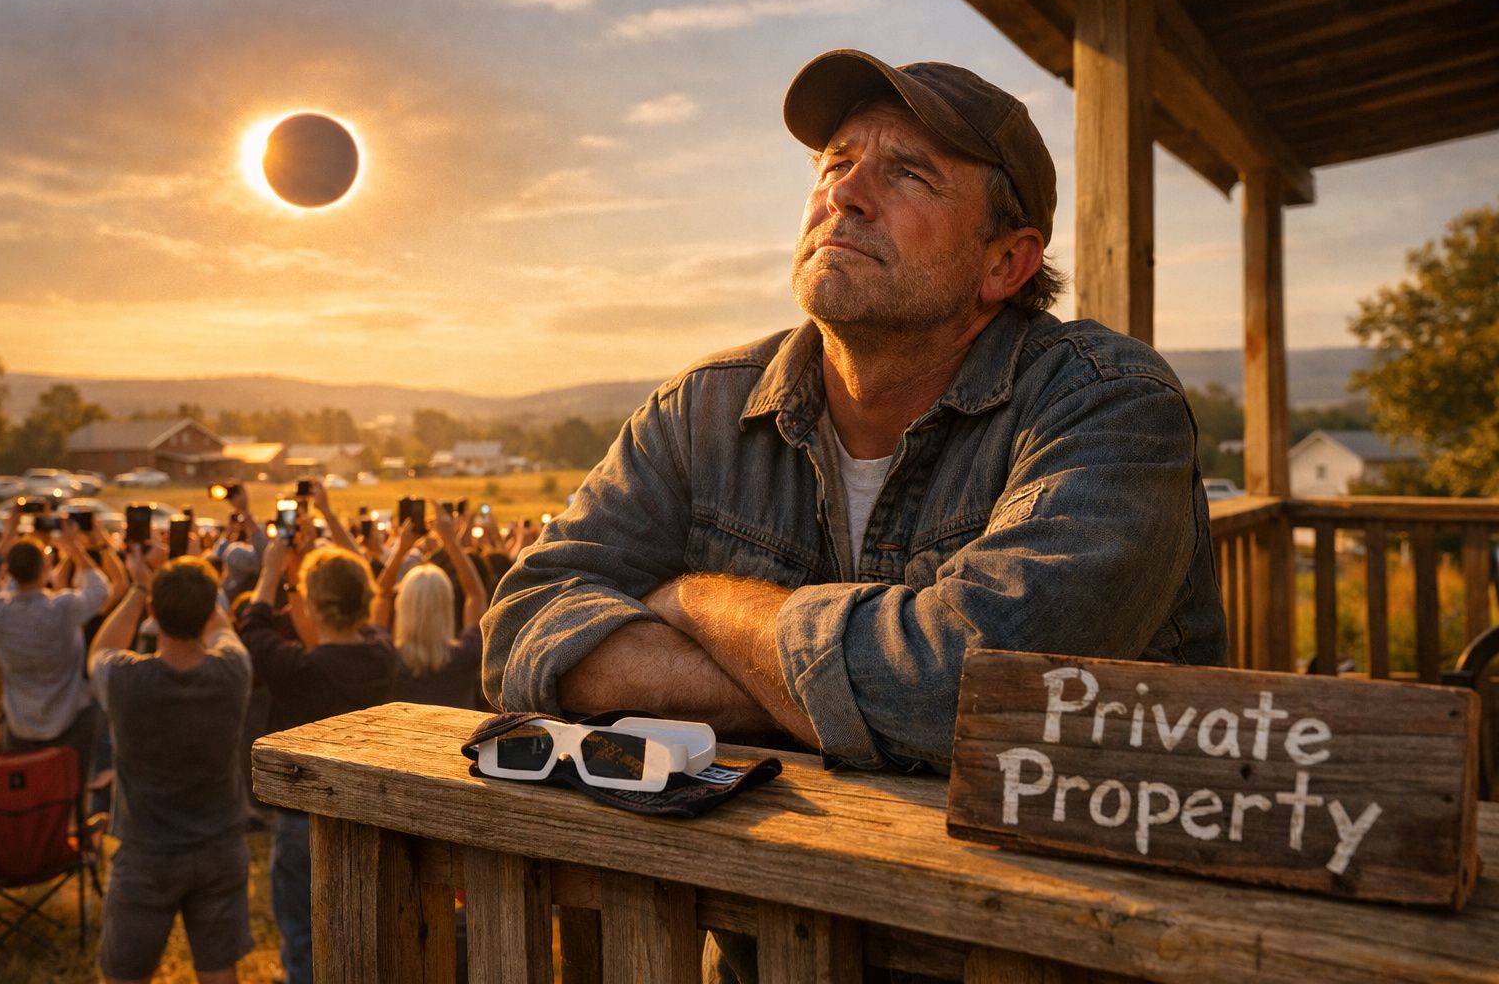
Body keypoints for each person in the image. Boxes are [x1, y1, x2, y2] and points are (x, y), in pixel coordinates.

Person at [482, 48, 1228, 773]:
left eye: (909, 174)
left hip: (1042, 862)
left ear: (1005, 262)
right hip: (750, 858)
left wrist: (697, 602)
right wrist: (814, 694)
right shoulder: (699, 410)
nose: (846, 195)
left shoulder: (1107, 404)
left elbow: (973, 691)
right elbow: (525, 624)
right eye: (836, 163)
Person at [87, 550, 253, 984]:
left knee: (126, 974)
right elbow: (224, 630)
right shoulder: (234, 671)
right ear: (210, 611)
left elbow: (100, 649)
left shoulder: (125, 680)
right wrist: (202, 594)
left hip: (146, 850)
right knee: (219, 971)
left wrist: (139, 586)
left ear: (154, 614)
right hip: (219, 843)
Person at [238, 541, 394, 984]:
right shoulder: (382, 654)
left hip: (301, 821)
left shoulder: (299, 671)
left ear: (314, 606)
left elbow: (254, 628)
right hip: (364, 812)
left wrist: (271, 572)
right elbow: (333, 648)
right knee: (361, 930)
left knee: (305, 937)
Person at [0, 523, 109, 781]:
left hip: (20, 723)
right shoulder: (63, 608)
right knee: (70, 792)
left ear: (10, 571)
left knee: (24, 796)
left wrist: (28, 550)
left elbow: (14, 583)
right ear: (46, 568)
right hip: (71, 720)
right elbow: (100, 590)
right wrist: (74, 547)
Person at [374, 505, 489, 709]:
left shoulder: (385, 657)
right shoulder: (465, 655)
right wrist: (451, 542)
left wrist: (401, 549)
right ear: (447, 604)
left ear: (402, 605)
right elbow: (476, 595)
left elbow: (381, 595)